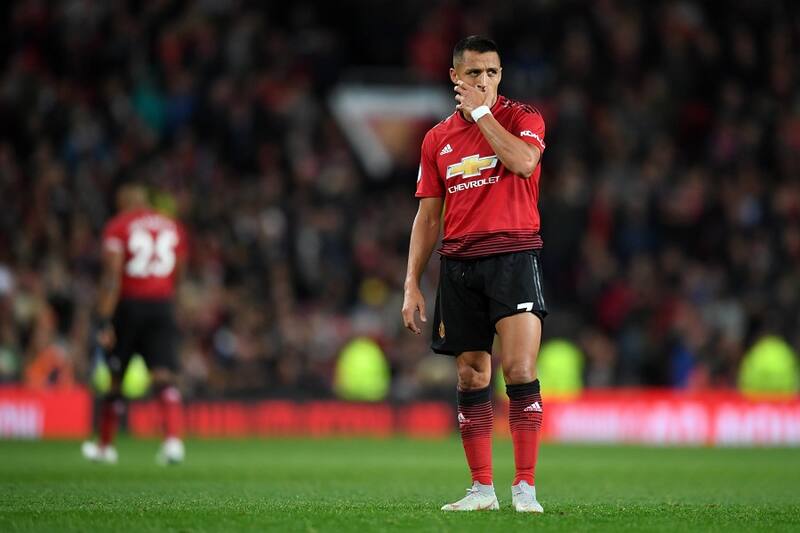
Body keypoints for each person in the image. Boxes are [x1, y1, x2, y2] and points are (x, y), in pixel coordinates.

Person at [402, 36, 547, 513]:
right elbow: (427, 218)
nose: (483, 81)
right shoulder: (435, 139)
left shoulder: (523, 119)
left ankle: (524, 487)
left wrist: (484, 116)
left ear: (500, 75)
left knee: (520, 369)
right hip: (460, 265)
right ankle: (481, 489)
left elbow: (524, 164)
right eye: (474, 73)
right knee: (470, 376)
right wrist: (411, 284)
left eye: (491, 72)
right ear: (455, 77)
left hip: (514, 257)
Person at [82, 182, 188, 465]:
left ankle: (105, 447)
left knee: (115, 378)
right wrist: (167, 299)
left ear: (124, 201)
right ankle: (173, 442)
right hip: (162, 305)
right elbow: (179, 271)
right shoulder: (172, 226)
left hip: (129, 306)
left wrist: (104, 320)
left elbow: (112, 276)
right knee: (164, 375)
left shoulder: (119, 226)